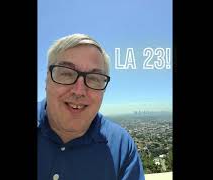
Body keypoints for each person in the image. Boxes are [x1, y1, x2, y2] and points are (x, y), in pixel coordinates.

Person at [38, 33, 145, 180]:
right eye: (67, 74)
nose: (79, 91)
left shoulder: (121, 146)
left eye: (94, 78)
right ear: (47, 79)